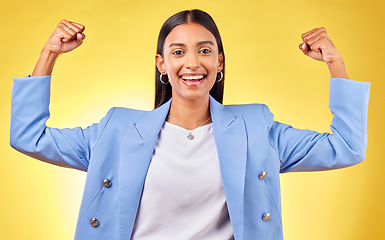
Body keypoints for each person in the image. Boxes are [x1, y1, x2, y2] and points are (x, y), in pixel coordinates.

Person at [10, 9, 370, 240]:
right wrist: (49, 54)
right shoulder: (117, 130)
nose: (193, 62)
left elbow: (346, 148)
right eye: (178, 52)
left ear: (220, 61)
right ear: (161, 64)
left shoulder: (256, 129)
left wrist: (335, 64)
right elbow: (28, 137)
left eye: (205, 50)